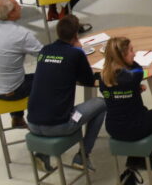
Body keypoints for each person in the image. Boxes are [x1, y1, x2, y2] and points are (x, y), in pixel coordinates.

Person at [27, 15, 106, 171]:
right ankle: (83, 156)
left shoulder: (45, 50)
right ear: (76, 34)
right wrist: (79, 51)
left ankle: (42, 155)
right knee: (102, 104)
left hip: (32, 123)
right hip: (59, 125)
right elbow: (89, 81)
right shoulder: (76, 53)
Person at [100, 36, 152, 171]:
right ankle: (143, 156)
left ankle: (135, 158)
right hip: (134, 128)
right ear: (121, 57)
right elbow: (139, 69)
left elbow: (114, 94)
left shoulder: (104, 77)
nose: (135, 53)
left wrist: (134, 91)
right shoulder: (134, 74)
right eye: (131, 50)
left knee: (144, 109)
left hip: (113, 127)